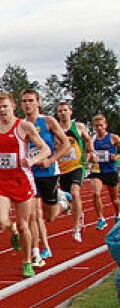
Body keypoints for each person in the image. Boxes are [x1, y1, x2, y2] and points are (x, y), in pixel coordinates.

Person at [0, 92, 50, 277]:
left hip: (21, 180)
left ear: (13, 106)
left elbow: (46, 149)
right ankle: (11, 230)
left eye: (5, 106)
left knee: (24, 224)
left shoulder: (24, 126)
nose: (2, 110)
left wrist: (33, 160)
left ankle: (27, 261)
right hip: (2, 181)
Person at [20, 89, 69, 265]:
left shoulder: (48, 121)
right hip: (30, 175)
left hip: (49, 173)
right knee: (33, 215)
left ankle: (63, 201)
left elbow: (66, 145)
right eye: (24, 101)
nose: (27, 104)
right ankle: (36, 254)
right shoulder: (21, 125)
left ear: (38, 103)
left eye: (30, 100)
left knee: (50, 216)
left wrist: (50, 160)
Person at [55, 100, 95, 242]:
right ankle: (79, 214)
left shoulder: (78, 127)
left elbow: (88, 140)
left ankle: (76, 228)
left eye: (65, 110)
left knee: (75, 192)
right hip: (62, 169)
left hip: (77, 166)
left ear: (70, 112)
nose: (63, 113)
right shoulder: (56, 129)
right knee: (70, 199)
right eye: (60, 111)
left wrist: (90, 153)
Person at [89, 114, 120, 229]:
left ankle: (118, 215)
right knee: (96, 193)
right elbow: (88, 152)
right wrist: (91, 157)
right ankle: (101, 219)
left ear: (105, 125)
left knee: (115, 199)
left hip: (110, 170)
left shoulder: (113, 138)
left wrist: (116, 157)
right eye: (96, 126)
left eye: (101, 125)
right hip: (97, 170)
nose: (99, 128)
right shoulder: (92, 139)